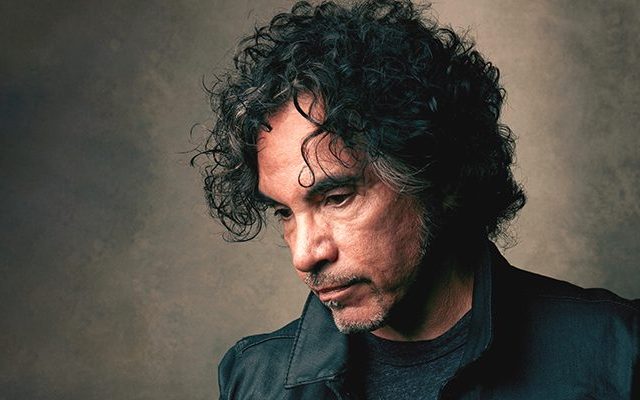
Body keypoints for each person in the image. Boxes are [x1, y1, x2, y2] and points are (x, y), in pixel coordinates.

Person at [194, 0, 640, 398]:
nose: (305, 254)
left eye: (337, 198)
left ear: (439, 176)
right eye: (285, 212)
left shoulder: (617, 355)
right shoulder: (254, 378)